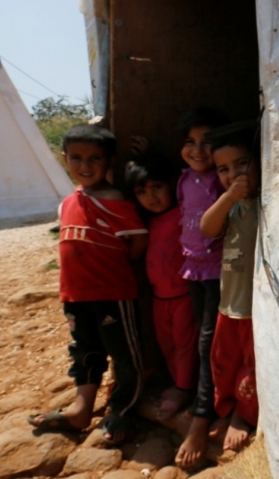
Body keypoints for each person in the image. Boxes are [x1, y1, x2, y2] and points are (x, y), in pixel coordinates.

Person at [28, 125, 148, 444]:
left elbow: (137, 243)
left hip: (112, 294)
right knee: (85, 352)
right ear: (64, 158)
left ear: (110, 160)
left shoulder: (116, 199)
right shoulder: (68, 202)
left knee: (124, 356)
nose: (86, 165)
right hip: (75, 296)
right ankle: (81, 410)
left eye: (95, 158)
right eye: (77, 158)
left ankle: (123, 413)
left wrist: (115, 269)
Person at [173, 107, 229, 467]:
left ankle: (202, 415)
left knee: (211, 340)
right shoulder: (183, 180)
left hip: (220, 271)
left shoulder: (220, 180)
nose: (197, 150)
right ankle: (201, 396)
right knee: (200, 337)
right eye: (190, 143)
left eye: (206, 144)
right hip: (193, 269)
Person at [200, 121, 260, 452]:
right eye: (223, 169)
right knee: (222, 360)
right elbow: (207, 228)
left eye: (241, 163)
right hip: (230, 303)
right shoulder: (232, 205)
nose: (232, 173)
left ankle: (243, 414)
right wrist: (227, 196)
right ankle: (225, 406)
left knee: (253, 366)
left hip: (255, 308)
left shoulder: (269, 201)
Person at [124, 153, 199, 420]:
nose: (151, 197)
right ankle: (179, 382)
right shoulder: (145, 222)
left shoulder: (183, 213)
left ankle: (184, 388)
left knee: (185, 343)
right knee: (166, 343)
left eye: (157, 187)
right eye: (142, 191)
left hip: (183, 296)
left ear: (171, 184)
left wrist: (151, 148)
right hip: (158, 298)